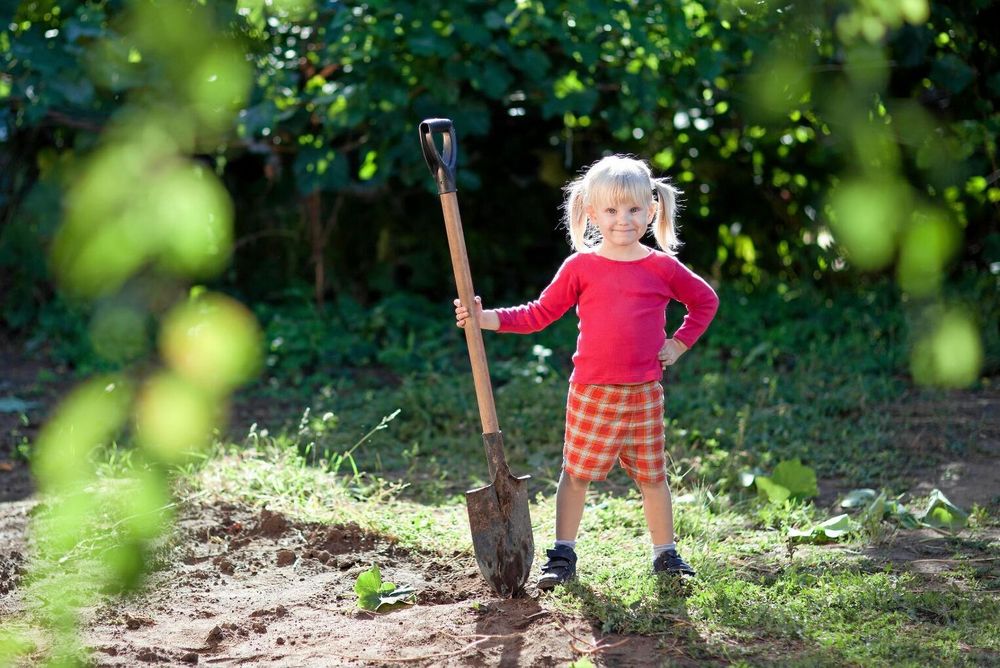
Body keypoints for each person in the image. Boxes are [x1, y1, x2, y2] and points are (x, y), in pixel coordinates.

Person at [454, 154, 719, 590]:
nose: (624, 220)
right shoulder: (580, 267)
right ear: (592, 213)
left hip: (644, 394)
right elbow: (538, 313)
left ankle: (666, 554)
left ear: (651, 210)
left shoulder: (661, 267)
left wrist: (679, 342)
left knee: (653, 478)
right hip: (592, 393)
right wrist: (485, 319)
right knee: (576, 475)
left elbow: (704, 300)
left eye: (634, 209)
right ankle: (562, 554)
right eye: (612, 211)